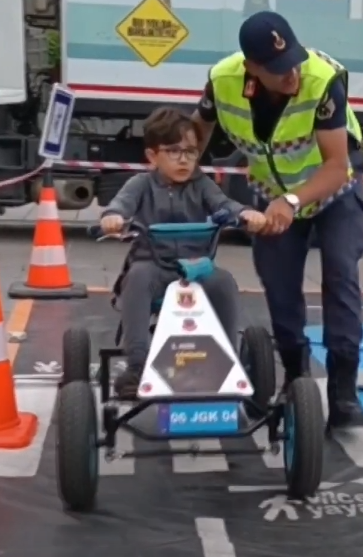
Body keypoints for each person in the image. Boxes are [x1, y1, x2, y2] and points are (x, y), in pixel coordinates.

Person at [190, 11, 363, 429]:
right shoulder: (222, 81)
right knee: (280, 286)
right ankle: (296, 378)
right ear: (251, 66)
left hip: (333, 192)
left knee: (341, 277)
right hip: (271, 196)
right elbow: (193, 138)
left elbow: (336, 164)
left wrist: (291, 201)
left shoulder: (322, 79)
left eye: (292, 59)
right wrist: (173, 185)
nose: (290, 73)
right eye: (276, 68)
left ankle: (344, 392)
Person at [100, 106, 266, 396]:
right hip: (153, 264)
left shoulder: (201, 185)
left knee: (223, 281)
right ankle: (138, 364)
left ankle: (229, 359)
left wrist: (245, 214)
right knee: (137, 279)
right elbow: (120, 205)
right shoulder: (140, 184)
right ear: (153, 156)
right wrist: (112, 218)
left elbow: (225, 205)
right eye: (174, 151)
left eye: (191, 152)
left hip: (197, 267)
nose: (184, 159)